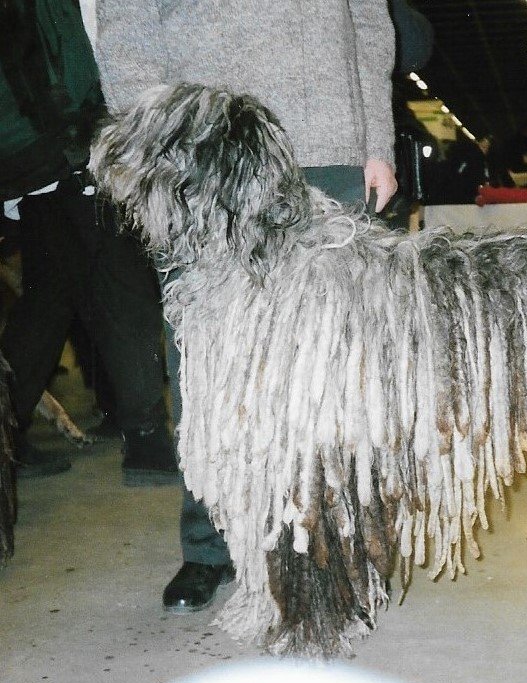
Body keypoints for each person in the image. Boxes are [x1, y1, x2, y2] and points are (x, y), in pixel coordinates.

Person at [93, 0, 398, 614]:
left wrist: (378, 142)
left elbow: (367, 20)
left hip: (326, 142)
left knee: (332, 372)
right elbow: (125, 29)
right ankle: (211, 546)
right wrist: (151, 138)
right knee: (209, 370)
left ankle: (333, 541)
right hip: (201, 156)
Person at [0, 0, 175, 482]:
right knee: (126, 293)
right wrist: (83, 145)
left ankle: (8, 437)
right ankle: (146, 443)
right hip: (67, 160)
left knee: (49, 303)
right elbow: (63, 72)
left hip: (41, 165)